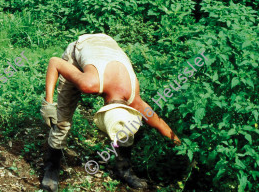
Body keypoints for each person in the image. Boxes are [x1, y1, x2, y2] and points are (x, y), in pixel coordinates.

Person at [40, 33, 181, 191]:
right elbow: (55, 62)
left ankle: (124, 170)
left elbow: (159, 124)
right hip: (80, 50)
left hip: (108, 45)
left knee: (125, 125)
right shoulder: (89, 83)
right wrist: (48, 103)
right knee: (62, 121)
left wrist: (181, 145)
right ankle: (52, 167)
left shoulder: (134, 99)